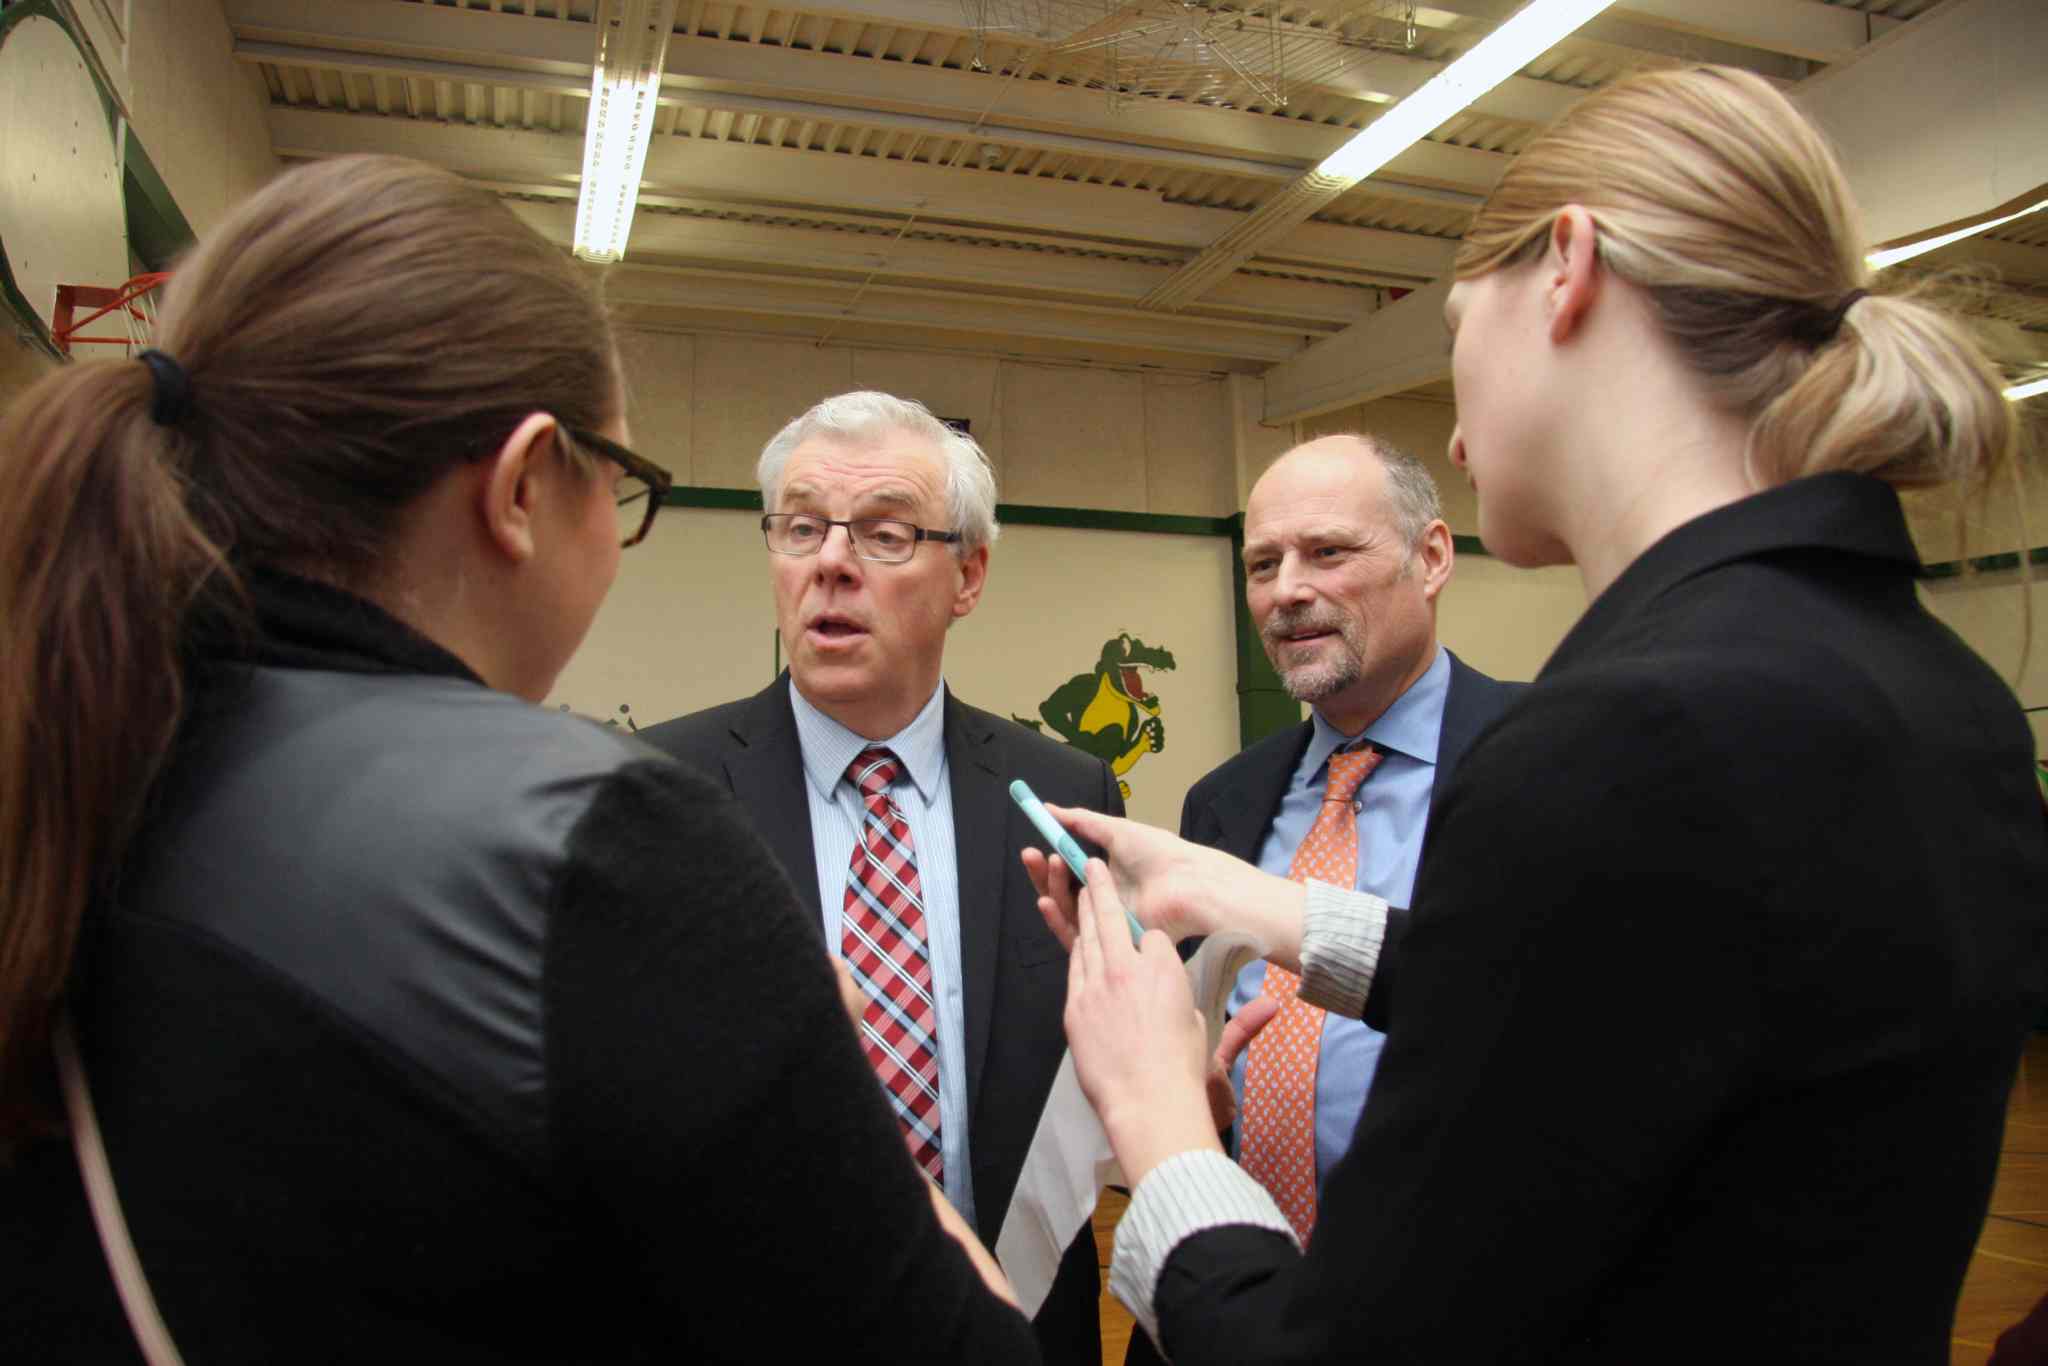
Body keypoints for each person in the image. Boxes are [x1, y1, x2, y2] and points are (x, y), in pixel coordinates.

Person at [1026, 64, 2048, 1365]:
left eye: (1457, 329)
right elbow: (1610, 998)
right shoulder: (1931, 687)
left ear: (1565, 267)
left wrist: (1158, 1106)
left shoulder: (1630, 731)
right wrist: (1255, 902)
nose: (1456, 432)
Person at [0, 156, 1036, 1363]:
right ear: (523, 484)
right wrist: (844, 1120)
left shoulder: (82, 749)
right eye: (623, 481)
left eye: (883, 532)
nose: (828, 564)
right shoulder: (600, 839)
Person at [637, 391, 1122, 1365]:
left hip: (1014, 1327)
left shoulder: (1065, 793)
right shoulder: (661, 795)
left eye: (885, 534)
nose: (829, 562)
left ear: (968, 574)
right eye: (801, 527)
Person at [1187, 434, 1519, 1250]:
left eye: (1327, 552)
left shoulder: (1552, 754)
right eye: (1263, 566)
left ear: (1433, 556)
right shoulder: (1220, 805)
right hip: (1235, 1290)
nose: (1287, 593)